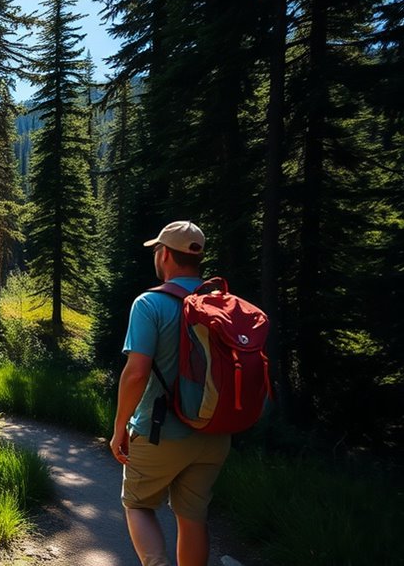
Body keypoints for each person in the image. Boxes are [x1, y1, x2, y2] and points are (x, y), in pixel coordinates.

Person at [109, 221, 231, 566]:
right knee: (192, 517)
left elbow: (136, 374)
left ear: (164, 255)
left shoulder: (150, 304)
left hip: (161, 430)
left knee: (138, 504)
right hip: (214, 431)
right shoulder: (221, 304)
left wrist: (120, 429)